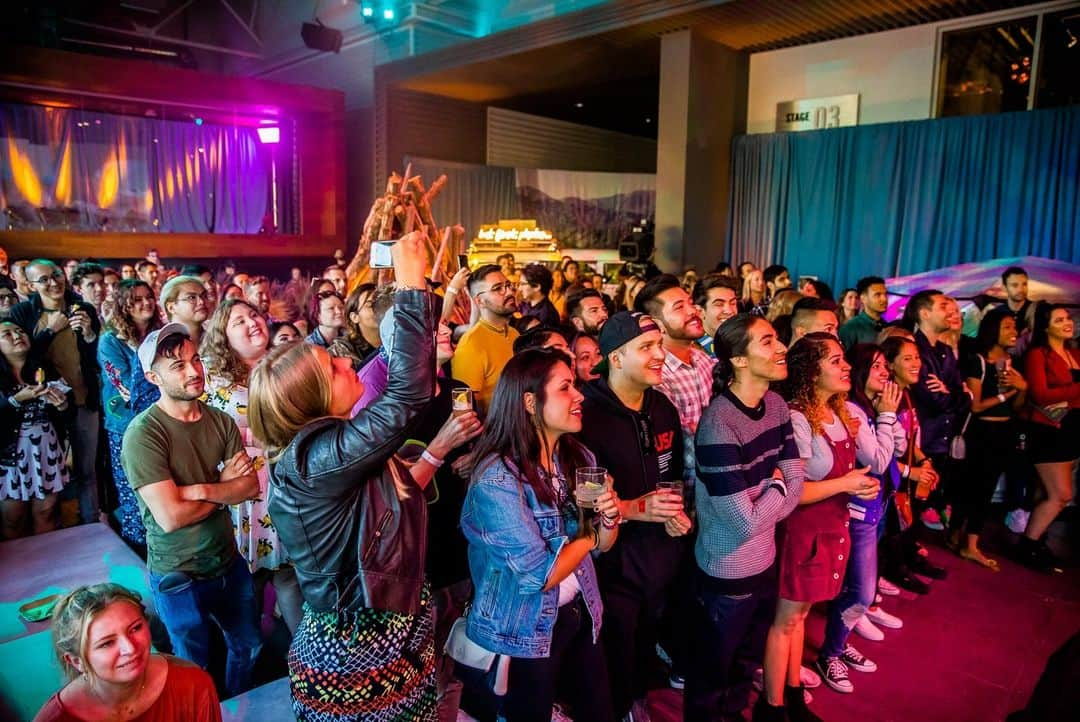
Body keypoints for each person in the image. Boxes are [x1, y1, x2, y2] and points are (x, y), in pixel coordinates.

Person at [248, 232, 442, 720]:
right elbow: (406, 397)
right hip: (355, 650)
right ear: (312, 396)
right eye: (333, 366)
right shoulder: (316, 460)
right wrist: (412, 282)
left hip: (392, 634)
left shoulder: (337, 445)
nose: (348, 360)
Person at [460, 349, 621, 722]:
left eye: (576, 386)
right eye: (565, 388)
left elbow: (603, 547)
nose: (580, 395)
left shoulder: (579, 458)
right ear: (530, 402)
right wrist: (591, 536)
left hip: (582, 611)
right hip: (523, 628)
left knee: (599, 711)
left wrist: (609, 519)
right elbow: (538, 577)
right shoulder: (497, 479)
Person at [121, 324, 261, 697]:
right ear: (153, 377)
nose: (193, 371)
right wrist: (222, 490)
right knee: (192, 667)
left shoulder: (220, 420)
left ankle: (234, 709)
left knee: (248, 647)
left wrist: (196, 490)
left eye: (195, 360)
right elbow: (170, 517)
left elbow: (249, 487)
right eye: (177, 366)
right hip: (177, 572)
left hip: (227, 560)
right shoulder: (143, 434)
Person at [686, 315, 802, 722]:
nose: (781, 348)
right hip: (727, 570)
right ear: (738, 359)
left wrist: (773, 491)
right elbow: (743, 522)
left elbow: (796, 481)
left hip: (764, 560)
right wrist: (777, 488)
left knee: (744, 665)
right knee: (712, 673)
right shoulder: (718, 424)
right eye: (767, 342)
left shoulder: (776, 405)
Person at [578, 312, 689, 720]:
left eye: (659, 344)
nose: (660, 355)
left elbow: (672, 475)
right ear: (616, 357)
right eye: (647, 347)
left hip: (658, 559)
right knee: (612, 657)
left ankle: (637, 700)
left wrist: (677, 513)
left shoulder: (662, 407)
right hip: (610, 564)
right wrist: (629, 509)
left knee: (645, 646)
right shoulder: (585, 414)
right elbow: (579, 498)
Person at [771, 334, 879, 720]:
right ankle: (776, 705)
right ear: (811, 371)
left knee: (799, 618)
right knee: (785, 621)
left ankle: (792, 691)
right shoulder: (797, 416)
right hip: (803, 532)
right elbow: (792, 490)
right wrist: (848, 484)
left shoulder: (838, 413)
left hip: (832, 529)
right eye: (835, 360)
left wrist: (860, 484)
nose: (846, 366)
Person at [200, 299, 303, 633]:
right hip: (244, 492)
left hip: (285, 482)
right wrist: (257, 437)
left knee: (289, 574)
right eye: (238, 321)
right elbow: (204, 435)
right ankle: (248, 663)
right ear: (223, 337)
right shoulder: (212, 381)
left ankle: (302, 656)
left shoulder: (282, 366)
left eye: (253, 315)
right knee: (249, 582)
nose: (252, 323)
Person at [814, 343, 904, 694]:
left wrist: (888, 414)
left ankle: (836, 644)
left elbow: (896, 448)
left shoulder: (870, 407)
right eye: (878, 366)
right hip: (856, 510)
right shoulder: (850, 408)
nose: (885, 373)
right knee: (861, 590)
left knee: (855, 586)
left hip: (874, 504)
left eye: (886, 366)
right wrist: (885, 416)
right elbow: (879, 461)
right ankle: (830, 653)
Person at [34, 583, 222, 722]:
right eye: (107, 643)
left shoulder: (193, 685)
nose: (130, 648)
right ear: (77, 661)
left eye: (135, 628)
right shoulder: (55, 718)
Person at [9, 259, 102, 526]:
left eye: (57, 275)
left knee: (87, 470)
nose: (53, 283)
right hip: (46, 407)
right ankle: (55, 530)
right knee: (51, 476)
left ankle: (90, 525)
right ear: (29, 285)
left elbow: (95, 358)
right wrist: (50, 330)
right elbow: (23, 360)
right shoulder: (23, 314)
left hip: (84, 399)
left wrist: (88, 336)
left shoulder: (81, 308)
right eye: (44, 279)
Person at [948, 308, 1027, 570]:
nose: (1013, 332)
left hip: (1005, 432)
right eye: (1007, 327)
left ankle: (964, 540)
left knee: (986, 487)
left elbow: (1018, 407)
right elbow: (977, 406)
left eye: (1014, 327)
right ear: (993, 330)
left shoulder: (1013, 363)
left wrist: (1022, 388)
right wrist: (1010, 392)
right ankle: (963, 540)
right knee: (974, 487)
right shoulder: (978, 362)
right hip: (981, 432)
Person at [97, 280, 163, 552]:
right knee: (133, 489)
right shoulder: (111, 341)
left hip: (162, 422)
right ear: (123, 305)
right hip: (126, 426)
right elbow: (127, 388)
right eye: (136, 299)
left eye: (149, 297)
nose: (145, 303)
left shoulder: (160, 335)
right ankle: (139, 550)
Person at [1017, 303, 1079, 573]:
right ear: (1046, 326)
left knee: (1046, 493)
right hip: (1048, 431)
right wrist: (1074, 392)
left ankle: (1037, 541)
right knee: (1061, 494)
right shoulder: (1037, 355)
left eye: (1068, 318)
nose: (1067, 323)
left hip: (1072, 430)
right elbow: (1040, 395)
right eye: (1059, 319)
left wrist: (1069, 397)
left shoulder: (1074, 354)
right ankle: (1028, 544)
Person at [878, 336, 941, 595]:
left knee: (905, 522)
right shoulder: (889, 397)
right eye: (908, 358)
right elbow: (884, 447)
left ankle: (906, 561)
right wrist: (910, 471)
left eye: (917, 357)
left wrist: (924, 460)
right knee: (891, 528)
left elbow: (910, 436)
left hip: (907, 473)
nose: (916, 363)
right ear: (890, 364)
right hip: (893, 476)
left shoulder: (906, 392)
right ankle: (892, 570)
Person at [1, 321, 70, 538]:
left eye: (20, 331)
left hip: (44, 451)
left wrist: (62, 406)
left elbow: (68, 415)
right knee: (14, 518)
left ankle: (46, 567)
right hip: (9, 457)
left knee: (46, 512)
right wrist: (15, 401)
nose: (17, 336)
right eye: (7, 334)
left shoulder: (44, 369)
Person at [452, 264, 519, 415]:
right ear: (479, 301)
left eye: (508, 285)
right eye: (497, 288)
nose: (509, 292)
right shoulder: (471, 344)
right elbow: (466, 411)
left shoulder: (514, 334)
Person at [329, 282, 377, 369]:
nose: (379, 308)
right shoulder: (341, 353)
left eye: (381, 303)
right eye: (370, 305)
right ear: (354, 317)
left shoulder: (399, 339)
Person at [693, 274, 740, 357]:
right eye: (719, 304)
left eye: (733, 303)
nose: (729, 311)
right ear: (699, 311)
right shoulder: (693, 352)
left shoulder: (743, 340)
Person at [159, 275, 209, 348]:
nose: (201, 301)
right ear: (171, 308)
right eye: (192, 297)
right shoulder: (161, 346)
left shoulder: (218, 337)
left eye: (204, 296)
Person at [840, 276, 889, 349]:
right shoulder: (850, 329)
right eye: (877, 295)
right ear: (863, 298)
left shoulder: (888, 327)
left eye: (885, 294)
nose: (884, 299)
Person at [518, 263, 561, 329]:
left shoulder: (547, 315)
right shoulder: (530, 306)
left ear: (537, 286)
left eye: (522, 284)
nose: (519, 288)